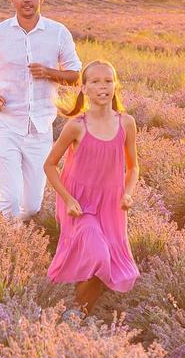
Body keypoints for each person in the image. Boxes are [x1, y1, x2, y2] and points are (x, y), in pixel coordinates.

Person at [0, 0, 82, 221]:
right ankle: (8, 252)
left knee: (31, 206)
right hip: (5, 126)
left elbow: (75, 75)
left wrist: (49, 73)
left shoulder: (58, 32)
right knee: (11, 201)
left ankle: (17, 241)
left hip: (40, 129)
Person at [43, 60, 140, 317]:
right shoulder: (77, 126)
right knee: (98, 254)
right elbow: (50, 166)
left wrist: (128, 193)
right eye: (95, 81)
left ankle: (78, 314)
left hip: (111, 206)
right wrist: (68, 199)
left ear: (115, 86)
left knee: (107, 264)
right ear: (84, 88)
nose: (103, 86)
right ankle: (73, 313)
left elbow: (133, 168)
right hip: (79, 204)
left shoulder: (126, 123)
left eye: (108, 81)